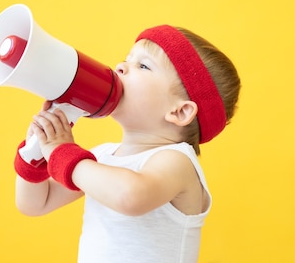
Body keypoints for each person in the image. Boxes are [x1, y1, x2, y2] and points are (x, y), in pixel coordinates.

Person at [14, 25, 241, 263]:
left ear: (180, 111)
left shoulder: (177, 161)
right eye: (126, 60)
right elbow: (36, 203)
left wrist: (62, 152)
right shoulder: (101, 157)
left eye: (143, 66)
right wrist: (37, 153)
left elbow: (130, 197)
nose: (120, 67)